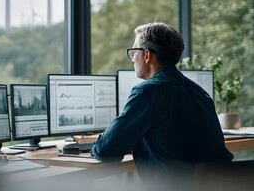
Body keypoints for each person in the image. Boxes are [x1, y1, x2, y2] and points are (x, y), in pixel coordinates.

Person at [91, 22, 233, 183]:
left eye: (133, 52)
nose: (132, 60)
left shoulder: (147, 92)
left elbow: (106, 150)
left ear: (146, 55)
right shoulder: (200, 93)